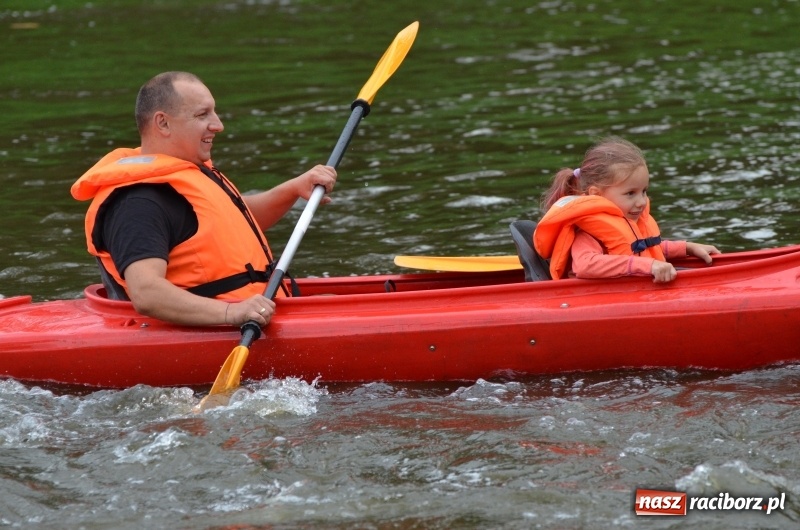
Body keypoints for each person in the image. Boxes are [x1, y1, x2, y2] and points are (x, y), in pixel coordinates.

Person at [71, 71, 337, 327]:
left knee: (334, 303)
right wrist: (232, 313)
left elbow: (236, 222)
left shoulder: (189, 172)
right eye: (202, 115)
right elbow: (147, 293)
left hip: (261, 311)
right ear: (163, 123)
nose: (218, 125)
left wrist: (292, 189)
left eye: (214, 112)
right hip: (226, 326)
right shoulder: (138, 202)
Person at [533, 136, 719, 282]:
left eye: (644, 191)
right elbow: (585, 265)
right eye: (631, 193)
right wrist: (646, 265)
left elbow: (645, 247)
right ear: (596, 195)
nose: (642, 202)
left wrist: (687, 248)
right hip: (592, 298)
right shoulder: (587, 233)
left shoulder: (629, 221)